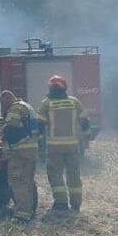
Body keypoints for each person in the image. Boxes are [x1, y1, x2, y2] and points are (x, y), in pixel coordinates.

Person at [37, 75, 89, 213]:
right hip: (72, 146)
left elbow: (40, 125)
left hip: (54, 147)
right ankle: (76, 204)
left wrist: (39, 142)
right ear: (65, 88)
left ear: (50, 88)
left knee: (55, 174)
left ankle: (61, 203)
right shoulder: (74, 102)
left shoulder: (46, 103)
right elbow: (84, 121)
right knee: (74, 174)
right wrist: (86, 136)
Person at [0, 90, 38, 221]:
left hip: (19, 153)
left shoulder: (15, 109)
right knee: (28, 183)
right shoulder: (27, 106)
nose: (2, 107)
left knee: (18, 183)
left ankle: (21, 215)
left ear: (6, 100)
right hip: (31, 151)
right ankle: (29, 211)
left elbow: (10, 128)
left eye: (2, 103)